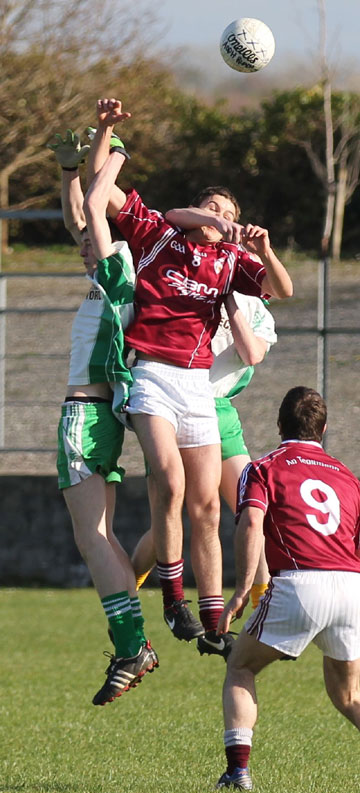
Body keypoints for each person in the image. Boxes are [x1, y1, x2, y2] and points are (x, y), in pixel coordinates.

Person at [89, 97, 293, 654]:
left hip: (197, 384)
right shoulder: (162, 236)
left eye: (228, 208)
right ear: (199, 210)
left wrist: (263, 248)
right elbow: (102, 196)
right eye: (213, 205)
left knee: (207, 505)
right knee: (169, 479)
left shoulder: (231, 264)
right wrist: (106, 133)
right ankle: (172, 598)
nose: (222, 214)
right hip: (152, 372)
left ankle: (211, 624)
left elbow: (283, 289)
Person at [214, 386, 360, 793]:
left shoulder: (262, 468)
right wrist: (342, 609)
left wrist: (243, 589)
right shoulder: (349, 478)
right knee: (350, 695)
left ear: (279, 426)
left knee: (241, 666)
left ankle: (237, 773)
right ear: (324, 429)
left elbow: (251, 525)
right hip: (350, 586)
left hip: (299, 581)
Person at [48, 130, 158, 706]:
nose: (83, 247)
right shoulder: (110, 279)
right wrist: (69, 168)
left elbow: (90, 213)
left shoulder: (118, 271)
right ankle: (133, 638)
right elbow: (77, 218)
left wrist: (112, 150)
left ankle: (132, 643)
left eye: (94, 243)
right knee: (103, 538)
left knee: (91, 541)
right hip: (101, 418)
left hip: (85, 416)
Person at [131, 291, 277, 657]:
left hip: (221, 412)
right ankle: (123, 587)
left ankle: (262, 612)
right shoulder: (195, 282)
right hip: (173, 401)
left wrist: (234, 303)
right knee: (170, 515)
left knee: (253, 509)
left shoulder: (257, 310)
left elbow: (252, 353)